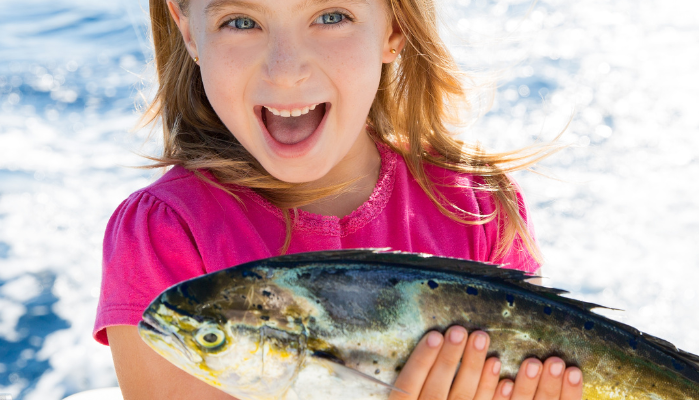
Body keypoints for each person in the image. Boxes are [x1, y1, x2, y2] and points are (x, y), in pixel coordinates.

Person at [94, 0, 583, 398]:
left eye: (331, 16)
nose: (286, 71)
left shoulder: (479, 205)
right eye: (240, 21)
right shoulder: (164, 233)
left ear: (394, 25)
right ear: (190, 31)